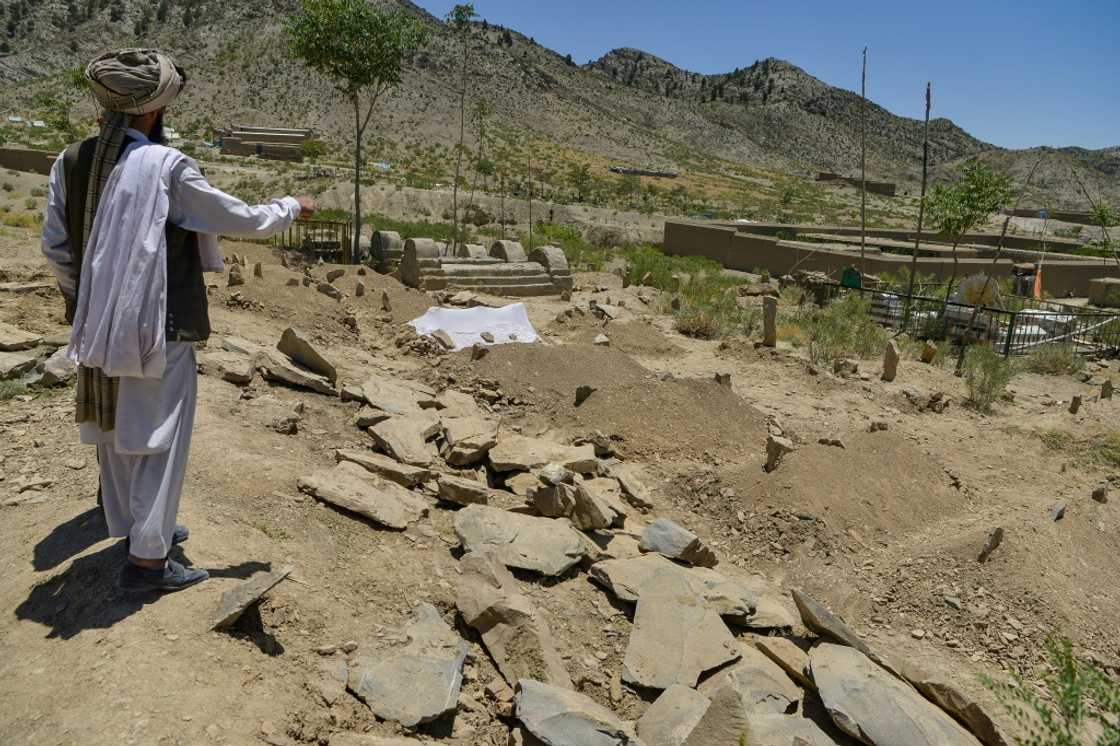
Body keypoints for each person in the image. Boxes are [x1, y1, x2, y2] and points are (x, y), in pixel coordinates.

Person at [41, 49, 316, 593]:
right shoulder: (167, 167)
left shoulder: (70, 161)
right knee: (159, 435)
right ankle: (148, 561)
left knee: (117, 429)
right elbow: (239, 217)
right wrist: (290, 205)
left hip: (96, 323)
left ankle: (140, 527)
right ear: (154, 109)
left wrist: (88, 304)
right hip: (156, 326)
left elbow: (55, 246)